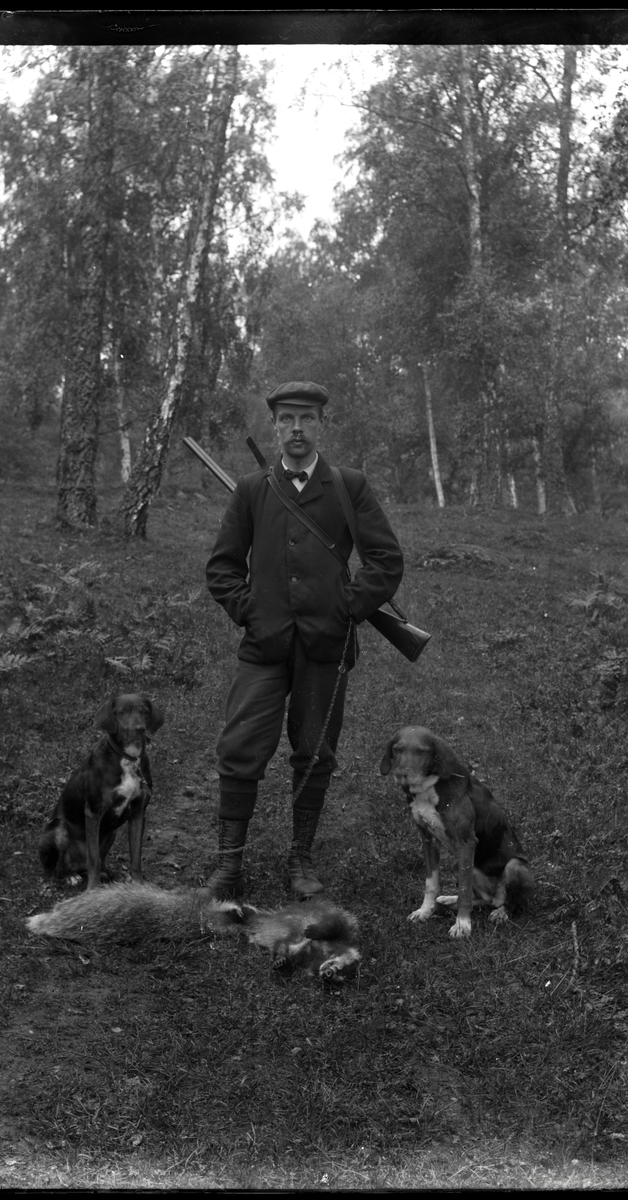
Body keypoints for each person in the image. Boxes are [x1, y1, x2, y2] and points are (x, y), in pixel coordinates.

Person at [201, 380, 404, 899]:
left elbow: (385, 561)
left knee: (315, 752)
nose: (297, 428)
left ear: (321, 425)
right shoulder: (252, 489)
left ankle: (301, 859)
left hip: (325, 645)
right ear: (274, 426)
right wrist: (250, 611)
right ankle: (229, 866)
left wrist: (348, 608)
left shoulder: (348, 486)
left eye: (307, 418)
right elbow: (222, 568)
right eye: (287, 419)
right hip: (264, 645)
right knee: (240, 747)